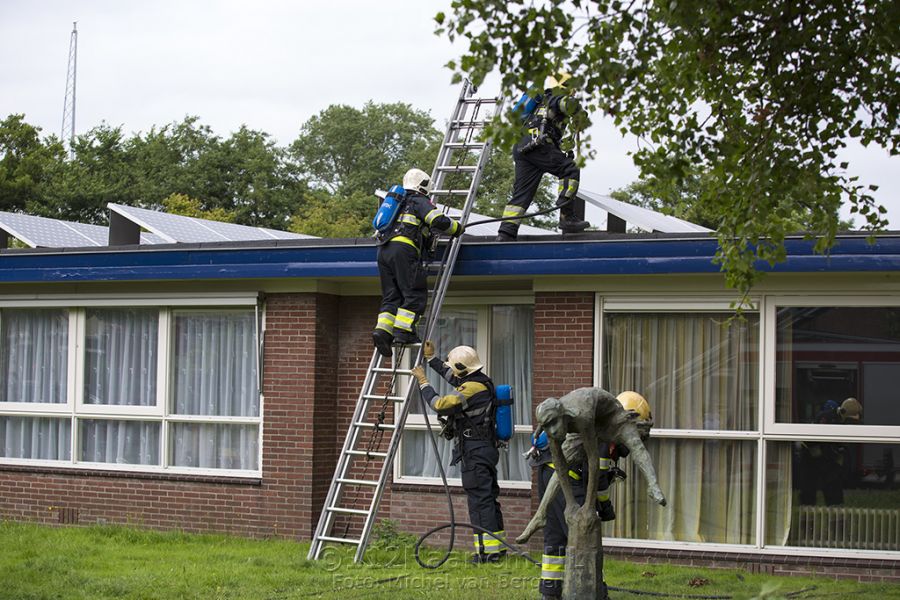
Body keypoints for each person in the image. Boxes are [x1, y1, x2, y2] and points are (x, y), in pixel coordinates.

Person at [526, 391, 654, 600]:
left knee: (555, 535)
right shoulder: (606, 432)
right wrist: (604, 507)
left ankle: (550, 592)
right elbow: (600, 476)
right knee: (582, 536)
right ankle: (597, 591)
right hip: (567, 478)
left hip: (547, 471)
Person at [410, 342, 505, 563]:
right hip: (485, 449)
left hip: (475, 452)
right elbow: (452, 376)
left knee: (479, 502)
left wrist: (423, 382)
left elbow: (442, 405)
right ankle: (497, 548)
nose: (452, 372)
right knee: (488, 499)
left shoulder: (471, 389)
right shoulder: (480, 381)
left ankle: (487, 554)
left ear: (463, 368)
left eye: (455, 368)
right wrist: (432, 358)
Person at [371, 168, 464, 356]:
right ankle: (404, 332)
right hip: (404, 250)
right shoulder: (418, 201)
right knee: (414, 293)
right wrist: (457, 228)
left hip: (383, 250)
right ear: (423, 185)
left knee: (392, 295)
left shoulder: (398, 203)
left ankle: (382, 331)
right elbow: (438, 220)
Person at [496, 72, 589, 242]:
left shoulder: (542, 101)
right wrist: (580, 113)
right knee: (570, 169)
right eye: (573, 90)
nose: (575, 93)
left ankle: (506, 233)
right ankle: (567, 217)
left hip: (523, 147)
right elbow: (566, 104)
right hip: (537, 144)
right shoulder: (554, 96)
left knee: (522, 195)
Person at [798, 397, 862, 505]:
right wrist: (825, 461)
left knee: (834, 493)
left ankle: (836, 517)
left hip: (827, 460)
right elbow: (811, 443)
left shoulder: (840, 421)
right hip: (811, 460)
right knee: (808, 494)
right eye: (851, 419)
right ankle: (806, 518)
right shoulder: (825, 419)